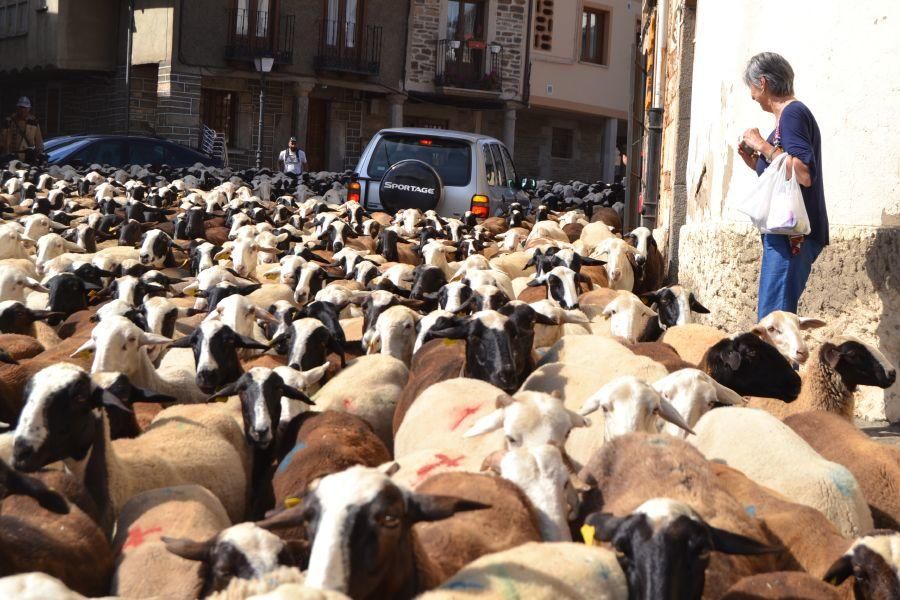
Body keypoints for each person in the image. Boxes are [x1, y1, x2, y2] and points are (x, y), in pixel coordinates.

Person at [737, 52, 828, 322]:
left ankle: (778, 366)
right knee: (774, 320)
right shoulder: (788, 117)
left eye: (751, 88)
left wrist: (762, 145)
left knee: (774, 322)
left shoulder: (792, 114)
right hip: (787, 233)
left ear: (762, 83)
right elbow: (781, 173)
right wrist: (754, 161)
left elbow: (803, 173)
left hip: (792, 236)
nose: (751, 96)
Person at [2, 96, 44, 163]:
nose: (23, 110)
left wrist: (40, 153)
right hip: (12, 157)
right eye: (21, 107)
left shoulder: (33, 122)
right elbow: (3, 139)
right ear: (17, 108)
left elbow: (38, 140)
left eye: (25, 108)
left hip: (28, 158)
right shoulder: (9, 121)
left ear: (29, 109)